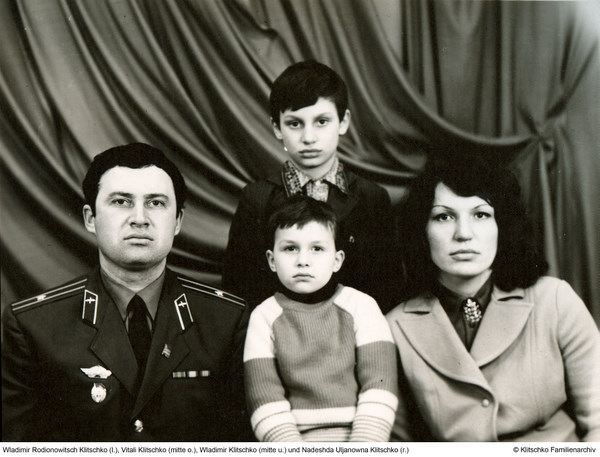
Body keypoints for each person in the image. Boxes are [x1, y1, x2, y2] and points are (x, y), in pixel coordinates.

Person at [2, 143, 252, 442]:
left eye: (156, 203)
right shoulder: (34, 325)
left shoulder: (227, 320)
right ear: (90, 218)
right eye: (121, 202)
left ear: (178, 222)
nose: (139, 218)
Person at [387, 153, 600, 442]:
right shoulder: (395, 327)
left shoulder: (555, 301)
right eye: (444, 216)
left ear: (504, 225)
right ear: (421, 231)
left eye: (481, 215)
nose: (463, 234)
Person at [223, 60, 400, 312]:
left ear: (343, 122)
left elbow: (387, 288)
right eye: (295, 123)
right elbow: (239, 288)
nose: (308, 137)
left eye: (321, 121)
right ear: (277, 128)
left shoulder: (371, 198)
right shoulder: (258, 199)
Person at [244, 195, 398, 442]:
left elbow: (380, 385)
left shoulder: (362, 306)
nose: (303, 261)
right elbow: (264, 397)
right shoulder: (264, 317)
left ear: (337, 260)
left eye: (317, 249)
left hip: (364, 438)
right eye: (290, 248)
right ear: (272, 261)